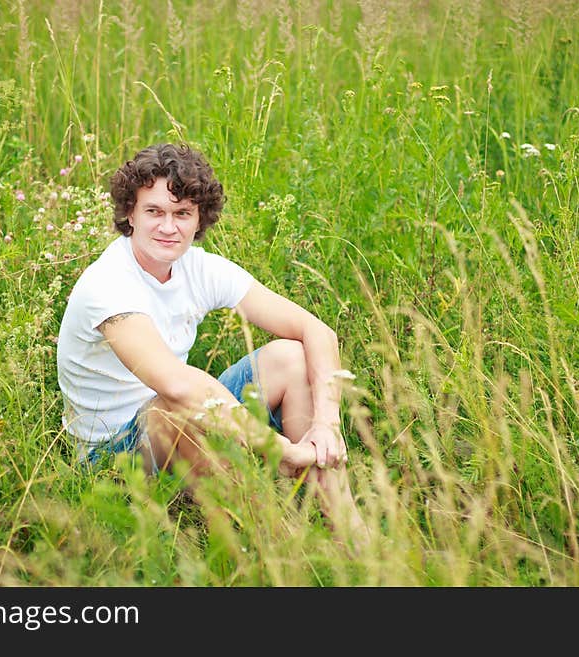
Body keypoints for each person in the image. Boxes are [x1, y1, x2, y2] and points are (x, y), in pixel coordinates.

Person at [56, 142, 366, 547]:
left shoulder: (198, 268)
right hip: (115, 458)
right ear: (130, 214)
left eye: (182, 213)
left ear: (199, 218)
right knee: (173, 408)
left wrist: (327, 423)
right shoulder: (108, 284)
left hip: (185, 419)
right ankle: (278, 543)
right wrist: (282, 450)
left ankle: (350, 535)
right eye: (154, 212)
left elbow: (317, 331)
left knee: (291, 355)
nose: (169, 227)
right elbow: (176, 386)